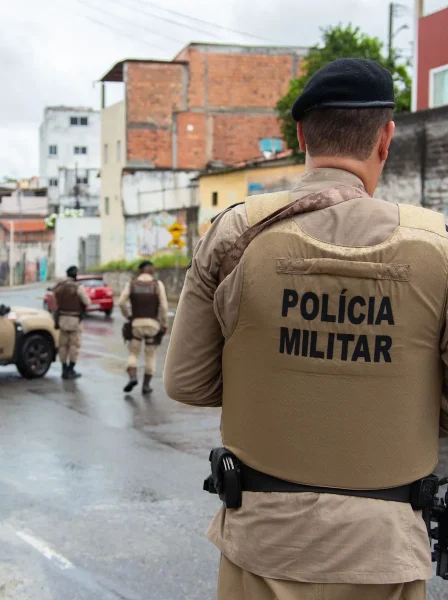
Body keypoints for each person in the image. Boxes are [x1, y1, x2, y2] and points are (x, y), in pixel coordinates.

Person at [164, 58, 445, 600]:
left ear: (300, 135)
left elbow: (187, 383)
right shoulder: (439, 246)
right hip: (383, 553)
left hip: (263, 546)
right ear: (386, 138)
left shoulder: (236, 232)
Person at [118, 260, 168, 394]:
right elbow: (163, 307)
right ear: (151, 270)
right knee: (150, 355)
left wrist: (128, 316)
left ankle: (133, 377)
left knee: (133, 352)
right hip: (152, 324)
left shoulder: (132, 284)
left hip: (136, 324)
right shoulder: (157, 285)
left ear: (140, 270)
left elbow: (121, 302)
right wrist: (164, 324)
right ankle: (146, 385)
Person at [53, 265, 90, 380]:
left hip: (62, 319)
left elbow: (55, 298)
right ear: (76, 274)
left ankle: (64, 369)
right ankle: (71, 369)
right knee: (74, 345)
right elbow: (87, 301)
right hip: (75, 319)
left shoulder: (59, 286)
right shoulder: (78, 287)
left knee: (63, 345)